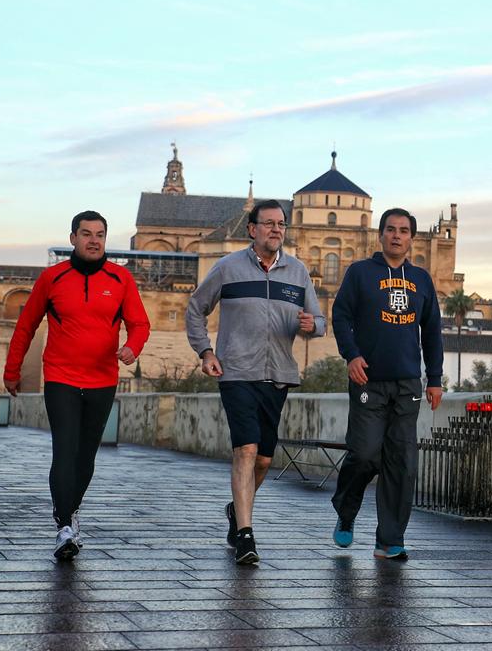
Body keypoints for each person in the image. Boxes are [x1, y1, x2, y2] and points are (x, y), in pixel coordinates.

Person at [3, 210, 150, 560]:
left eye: (100, 234)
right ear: (73, 238)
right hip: (60, 377)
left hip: (103, 378)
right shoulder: (52, 278)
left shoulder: (121, 278)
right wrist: (12, 371)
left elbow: (140, 324)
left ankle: (70, 511)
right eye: (86, 233)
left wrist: (132, 347)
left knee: (86, 455)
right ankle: (64, 525)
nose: (94, 240)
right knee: (65, 449)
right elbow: (26, 326)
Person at [186, 199, 325, 565]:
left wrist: (313, 326)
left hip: (278, 375)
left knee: (264, 459)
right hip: (235, 372)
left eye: (281, 224)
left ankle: (237, 510)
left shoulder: (297, 272)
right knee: (245, 451)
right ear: (252, 229)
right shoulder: (227, 268)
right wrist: (205, 352)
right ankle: (246, 535)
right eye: (268, 224)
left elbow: (320, 321)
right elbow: (195, 307)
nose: (276, 229)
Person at [330, 207, 443, 560]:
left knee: (401, 462)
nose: (397, 236)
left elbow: (433, 332)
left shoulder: (422, 280)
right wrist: (351, 355)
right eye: (391, 229)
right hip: (369, 380)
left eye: (404, 231)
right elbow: (341, 315)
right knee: (363, 454)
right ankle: (346, 510)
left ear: (412, 237)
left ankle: (389, 539)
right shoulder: (361, 273)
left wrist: (435, 379)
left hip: (408, 383)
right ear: (380, 235)